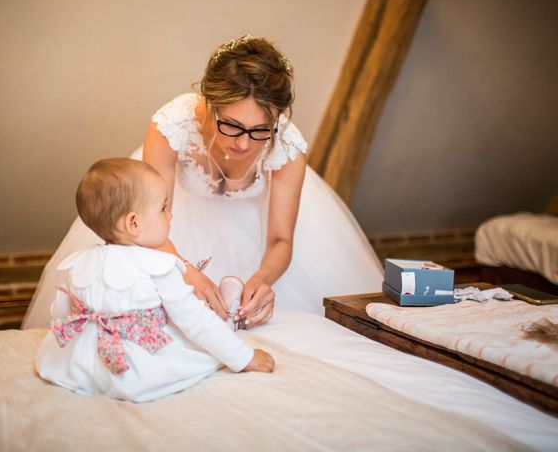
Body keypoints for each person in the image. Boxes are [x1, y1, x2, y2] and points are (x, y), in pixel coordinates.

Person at [23, 35, 383, 330]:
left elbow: (280, 240)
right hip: (167, 233)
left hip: (254, 241)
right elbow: (151, 225)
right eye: (232, 126)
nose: (243, 144)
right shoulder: (172, 126)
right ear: (209, 104)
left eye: (261, 130)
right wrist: (187, 273)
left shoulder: (287, 146)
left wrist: (264, 280)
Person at [35, 158, 274, 403]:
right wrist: (244, 357)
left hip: (86, 364)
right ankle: (230, 313)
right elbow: (195, 322)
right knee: (200, 343)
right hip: (132, 367)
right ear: (134, 223)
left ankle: (226, 308)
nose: (170, 216)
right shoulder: (158, 267)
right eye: (163, 209)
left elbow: (61, 312)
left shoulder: (79, 262)